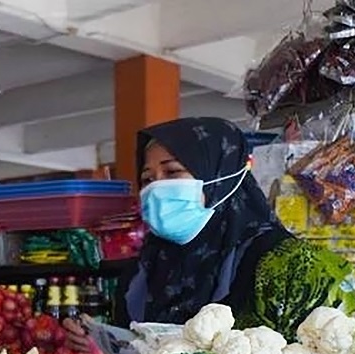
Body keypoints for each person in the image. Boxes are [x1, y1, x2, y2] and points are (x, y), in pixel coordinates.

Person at [114, 116, 292, 326]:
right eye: (147, 180)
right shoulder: (145, 266)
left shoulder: (274, 259)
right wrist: (99, 344)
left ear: (221, 175)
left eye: (172, 172)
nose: (156, 189)